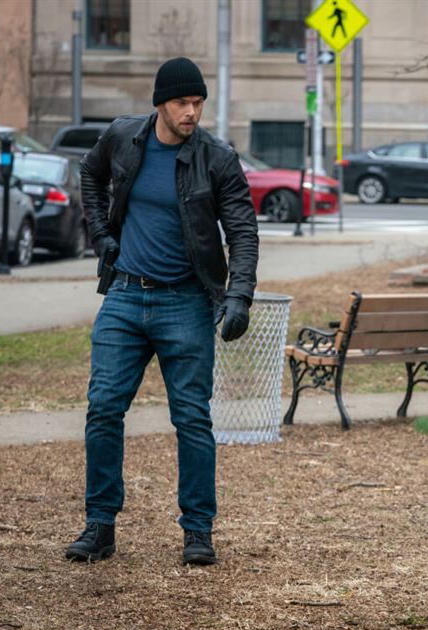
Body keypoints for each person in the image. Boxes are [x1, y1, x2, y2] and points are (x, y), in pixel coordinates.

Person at [64, 57, 259, 566]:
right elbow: (89, 173)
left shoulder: (217, 157)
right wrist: (102, 237)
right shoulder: (123, 137)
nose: (191, 112)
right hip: (125, 296)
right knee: (104, 409)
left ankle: (198, 530)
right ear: (160, 104)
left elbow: (242, 230)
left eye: (197, 103)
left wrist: (238, 296)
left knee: (192, 419)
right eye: (181, 103)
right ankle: (99, 525)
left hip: (186, 302)